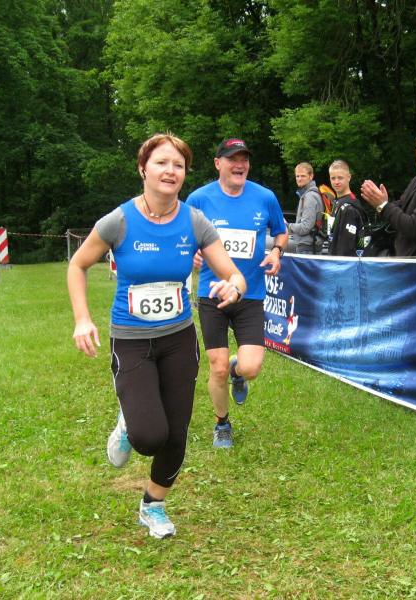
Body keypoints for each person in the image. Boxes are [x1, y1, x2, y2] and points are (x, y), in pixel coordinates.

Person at [67, 132, 246, 540]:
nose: (170, 171)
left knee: (176, 435)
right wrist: (82, 318)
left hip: (179, 339)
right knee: (149, 436)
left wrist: (234, 287)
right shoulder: (119, 221)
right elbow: (78, 265)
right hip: (131, 340)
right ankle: (129, 423)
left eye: (178, 165)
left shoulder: (194, 221)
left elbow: (233, 272)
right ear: (142, 169)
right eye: (161, 163)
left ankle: (153, 505)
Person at [187, 138, 288, 449]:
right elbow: (182, 236)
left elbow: (281, 231)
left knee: (251, 368)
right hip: (212, 293)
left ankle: (237, 370)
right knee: (216, 366)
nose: (240, 164)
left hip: (250, 294)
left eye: (244, 159)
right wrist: (191, 254)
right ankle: (222, 423)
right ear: (218, 163)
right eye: (232, 159)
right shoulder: (199, 198)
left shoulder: (264, 197)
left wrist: (277, 252)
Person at [326, 160, 371, 256]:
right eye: (333, 178)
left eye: (340, 178)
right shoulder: (338, 202)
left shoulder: (349, 208)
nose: (336, 182)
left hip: (343, 263)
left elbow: (345, 249)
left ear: (349, 177)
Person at [288, 162, 323, 254]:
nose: (299, 179)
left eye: (303, 176)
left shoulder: (309, 196)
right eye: (297, 176)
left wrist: (287, 226)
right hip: (312, 245)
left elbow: (305, 227)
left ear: (311, 176)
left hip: (307, 247)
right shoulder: (313, 193)